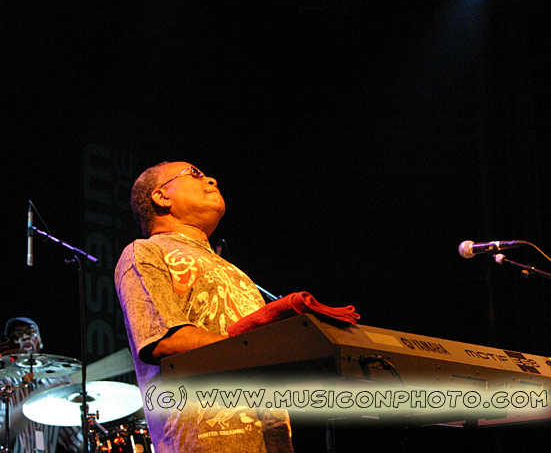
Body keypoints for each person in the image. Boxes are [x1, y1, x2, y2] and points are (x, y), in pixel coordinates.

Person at [116, 162, 360, 453]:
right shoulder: (145, 251)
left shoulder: (236, 272)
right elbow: (166, 341)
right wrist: (264, 353)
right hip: (204, 440)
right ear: (161, 196)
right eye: (195, 174)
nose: (211, 180)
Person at [0, 317, 82, 453]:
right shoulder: (4, 382)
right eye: (18, 335)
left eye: (31, 332)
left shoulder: (54, 382)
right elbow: (2, 434)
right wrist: (41, 394)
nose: (25, 337)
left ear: (41, 342)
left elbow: (75, 440)